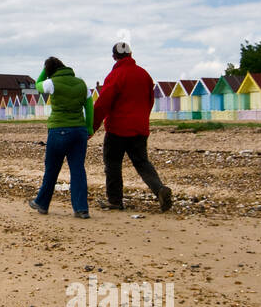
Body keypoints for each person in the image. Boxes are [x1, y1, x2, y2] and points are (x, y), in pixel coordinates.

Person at [92, 42, 172, 212]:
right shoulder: (144, 75)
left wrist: (91, 127)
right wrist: (142, 119)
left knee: (113, 164)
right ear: (130, 54)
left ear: (114, 57)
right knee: (142, 163)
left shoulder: (115, 75)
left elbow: (102, 104)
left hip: (117, 129)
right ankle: (159, 189)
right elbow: (150, 100)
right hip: (139, 128)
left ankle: (115, 201)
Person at [28, 57, 93, 218]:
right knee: (78, 169)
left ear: (50, 70)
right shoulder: (81, 84)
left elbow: (37, 85)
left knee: (52, 169)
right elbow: (89, 106)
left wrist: (45, 70)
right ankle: (81, 209)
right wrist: (89, 127)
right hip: (79, 131)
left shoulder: (52, 83)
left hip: (59, 130)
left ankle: (42, 203)